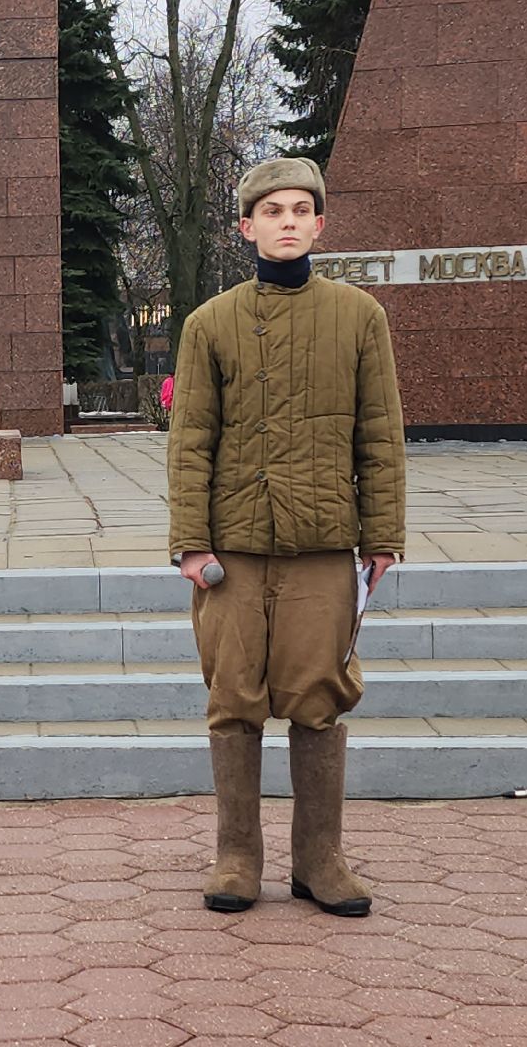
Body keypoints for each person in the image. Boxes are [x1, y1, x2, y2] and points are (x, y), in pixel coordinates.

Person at [167, 157, 406, 917]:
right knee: (233, 701)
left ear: (321, 225)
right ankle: (237, 856)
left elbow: (380, 435)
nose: (289, 222)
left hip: (322, 548)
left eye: (302, 210)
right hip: (233, 551)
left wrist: (383, 537)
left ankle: (320, 860)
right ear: (247, 227)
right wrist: (191, 542)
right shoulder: (210, 323)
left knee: (317, 701)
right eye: (273, 212)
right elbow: (190, 440)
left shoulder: (360, 318)